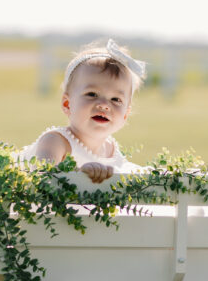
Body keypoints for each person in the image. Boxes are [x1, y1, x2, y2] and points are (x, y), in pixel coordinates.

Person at [19, 39, 146, 183]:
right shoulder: (56, 142)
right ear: (67, 104)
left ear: (125, 115)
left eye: (116, 99)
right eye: (92, 94)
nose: (104, 105)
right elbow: (42, 180)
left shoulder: (111, 150)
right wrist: (79, 175)